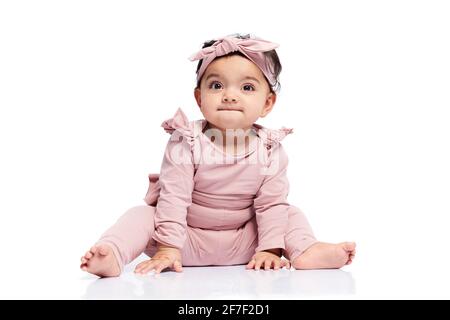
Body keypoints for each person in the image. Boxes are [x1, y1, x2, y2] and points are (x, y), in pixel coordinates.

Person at [80, 33, 356, 277]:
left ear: (267, 103)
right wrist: (167, 248)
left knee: (288, 212)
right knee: (140, 215)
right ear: (199, 99)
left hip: (246, 245)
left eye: (247, 88)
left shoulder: (271, 148)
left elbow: (270, 204)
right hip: (184, 241)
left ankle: (304, 250)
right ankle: (113, 254)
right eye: (216, 86)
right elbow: (173, 198)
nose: (230, 96)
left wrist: (270, 250)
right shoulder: (186, 141)